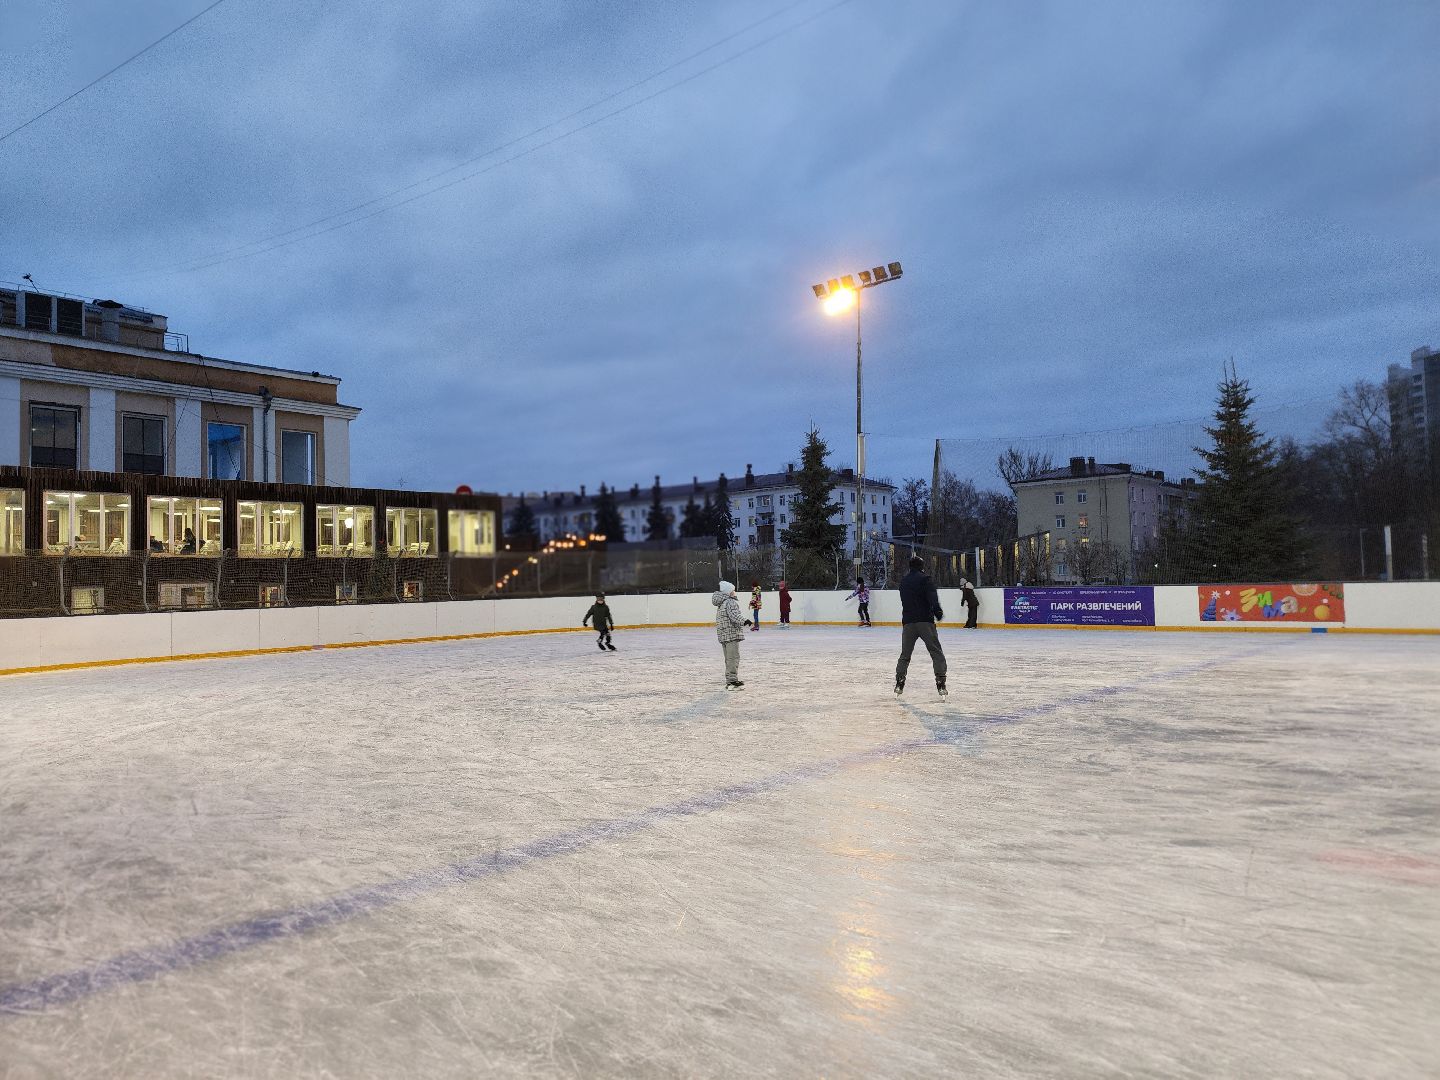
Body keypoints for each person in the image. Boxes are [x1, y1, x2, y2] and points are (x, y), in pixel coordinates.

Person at [895, 555, 947, 698]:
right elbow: (932, 597)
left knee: (905, 655)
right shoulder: (925, 579)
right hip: (925, 621)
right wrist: (938, 611)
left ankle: (899, 682)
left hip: (908, 623)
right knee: (936, 652)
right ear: (921, 566)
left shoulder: (904, 582)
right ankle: (941, 682)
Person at [712, 580, 750, 688]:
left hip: (724, 636)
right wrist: (745, 621)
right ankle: (732, 682)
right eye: (733, 591)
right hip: (732, 635)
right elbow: (735, 616)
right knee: (733, 658)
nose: (734, 593)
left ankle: (730, 679)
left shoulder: (721, 604)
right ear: (728, 592)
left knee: (728, 658)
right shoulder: (730, 602)